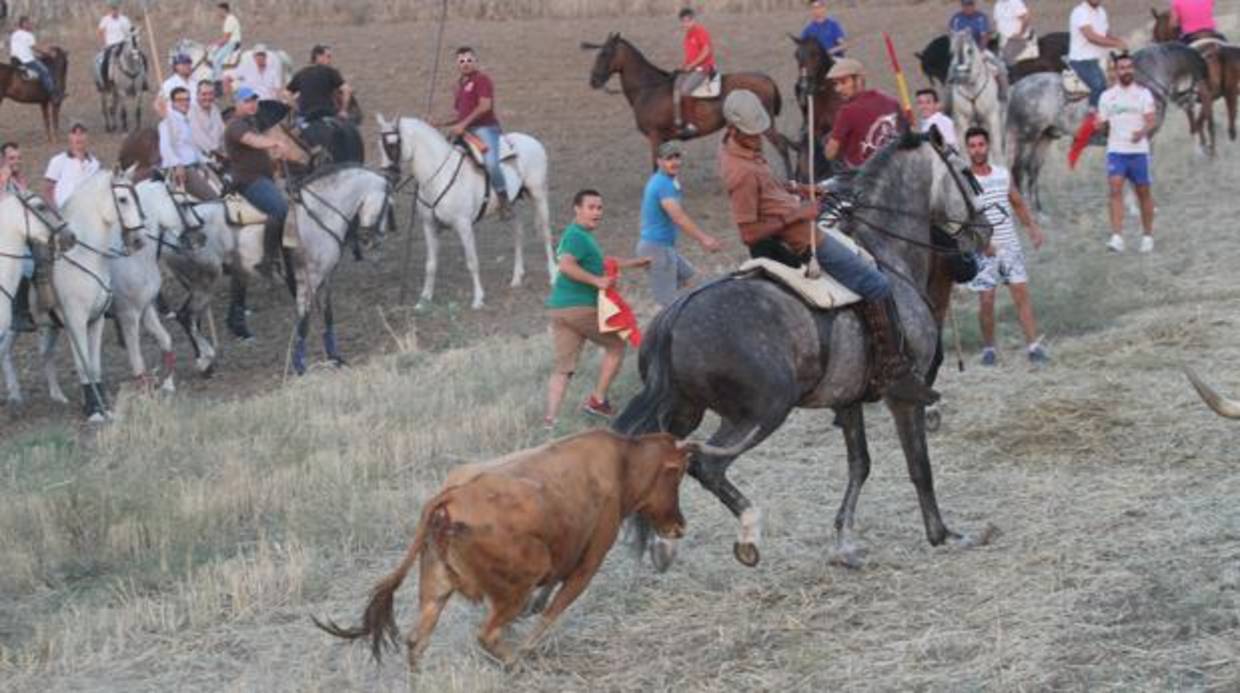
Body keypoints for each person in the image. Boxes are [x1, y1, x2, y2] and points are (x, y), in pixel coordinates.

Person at [719, 89, 937, 403]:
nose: (759, 139)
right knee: (875, 283)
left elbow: (767, 190)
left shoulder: (737, 147)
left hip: (799, 218)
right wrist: (798, 213)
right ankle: (894, 371)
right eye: (752, 134)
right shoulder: (740, 172)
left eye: (759, 132)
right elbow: (748, 232)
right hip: (798, 239)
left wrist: (797, 189)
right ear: (735, 129)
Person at [544, 189, 651, 426]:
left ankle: (550, 420)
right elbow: (565, 266)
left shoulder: (581, 237)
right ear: (577, 209)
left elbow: (602, 263)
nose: (597, 213)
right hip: (580, 308)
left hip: (559, 310)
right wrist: (597, 282)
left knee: (563, 368)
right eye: (591, 207)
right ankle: (597, 401)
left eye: (599, 208)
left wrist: (635, 263)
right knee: (616, 345)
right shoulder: (576, 236)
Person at [961, 126, 1048, 366]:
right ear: (967, 149)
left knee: (1021, 295)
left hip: (1010, 244)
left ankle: (1033, 346)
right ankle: (989, 349)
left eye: (981, 145)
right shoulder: (964, 180)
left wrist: (1032, 228)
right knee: (986, 301)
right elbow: (963, 218)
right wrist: (980, 242)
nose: (977, 150)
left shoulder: (1002, 174)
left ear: (988, 146)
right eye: (972, 146)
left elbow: (1017, 202)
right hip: (983, 250)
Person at [637, 140, 722, 308]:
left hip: (663, 248)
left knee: (694, 282)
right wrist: (704, 239)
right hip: (657, 249)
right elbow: (678, 217)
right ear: (659, 161)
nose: (674, 162)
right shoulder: (663, 184)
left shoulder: (662, 181)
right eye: (669, 158)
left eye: (677, 157)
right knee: (668, 305)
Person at [439, 46, 511, 218]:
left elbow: (485, 106)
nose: (466, 64)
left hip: (486, 129)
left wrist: (463, 124)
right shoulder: (458, 86)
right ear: (457, 64)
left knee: (491, 163)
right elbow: (458, 114)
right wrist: (436, 122)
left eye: (469, 60)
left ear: (476, 61)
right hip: (465, 130)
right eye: (462, 61)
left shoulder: (482, 80)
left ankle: (504, 200)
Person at [225, 86, 289, 278]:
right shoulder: (236, 125)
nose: (252, 104)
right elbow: (252, 141)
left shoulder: (250, 121)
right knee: (280, 210)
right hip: (249, 181)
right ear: (237, 104)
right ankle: (268, 260)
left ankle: (282, 252)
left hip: (263, 178)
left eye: (254, 101)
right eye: (247, 101)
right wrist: (275, 143)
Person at [1098, 52, 1157, 254]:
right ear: (1115, 71)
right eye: (1122, 68)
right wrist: (1098, 125)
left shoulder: (1143, 94)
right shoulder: (1107, 97)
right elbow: (1103, 124)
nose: (1126, 71)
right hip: (1116, 151)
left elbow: (1151, 120)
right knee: (1115, 189)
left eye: (1129, 67)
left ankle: (1147, 236)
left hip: (1139, 152)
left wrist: (1142, 132)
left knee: (1143, 193)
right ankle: (1117, 237)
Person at [1066, 0, 1127, 168]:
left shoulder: (1101, 12)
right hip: (1082, 60)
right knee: (1099, 86)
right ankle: (1093, 129)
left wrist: (1120, 41)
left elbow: (1106, 33)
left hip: (1100, 58)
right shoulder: (1080, 12)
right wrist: (1115, 44)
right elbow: (1091, 36)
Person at [823, 59, 903, 170]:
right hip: (896, 171)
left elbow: (830, 154)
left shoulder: (847, 111)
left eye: (843, 82)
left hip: (864, 178)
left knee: (825, 185)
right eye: (836, 84)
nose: (838, 89)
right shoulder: (891, 101)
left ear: (859, 80)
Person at [158, 87, 214, 200]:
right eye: (180, 100)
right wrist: (178, 165)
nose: (185, 103)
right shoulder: (168, 122)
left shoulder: (185, 121)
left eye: (187, 99)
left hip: (195, 166)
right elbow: (165, 147)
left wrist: (205, 161)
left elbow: (191, 147)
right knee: (213, 199)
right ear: (172, 103)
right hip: (183, 170)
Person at [674, 7, 716, 138]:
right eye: (683, 21)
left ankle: (692, 125)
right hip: (691, 68)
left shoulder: (700, 32)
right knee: (675, 86)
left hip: (703, 68)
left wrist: (691, 65)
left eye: (688, 21)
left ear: (694, 20)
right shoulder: (687, 36)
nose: (686, 24)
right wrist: (683, 66)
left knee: (685, 90)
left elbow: (706, 51)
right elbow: (690, 56)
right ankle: (679, 120)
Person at [285, 44, 352, 122]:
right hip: (327, 114)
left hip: (306, 117)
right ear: (318, 56)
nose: (330, 60)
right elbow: (347, 90)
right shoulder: (330, 71)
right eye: (328, 56)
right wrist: (343, 110)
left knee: (294, 131)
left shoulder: (301, 73)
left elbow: (286, 93)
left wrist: (297, 108)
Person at [44, 123, 101, 210]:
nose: (78, 137)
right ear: (69, 137)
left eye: (82, 133)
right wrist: (56, 212)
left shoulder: (95, 164)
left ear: (87, 137)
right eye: (74, 133)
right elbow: (48, 189)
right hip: (64, 213)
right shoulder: (58, 161)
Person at [8, 16, 61, 102]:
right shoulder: (28, 35)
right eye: (28, 23)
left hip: (14, 60)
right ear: (23, 24)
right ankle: (53, 94)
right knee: (45, 71)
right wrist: (48, 53)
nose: (30, 24)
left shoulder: (15, 34)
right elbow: (35, 48)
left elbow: (23, 48)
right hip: (26, 60)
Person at [189, 80, 225, 160]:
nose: (208, 97)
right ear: (197, 95)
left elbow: (222, 131)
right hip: (201, 157)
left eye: (210, 94)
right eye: (204, 94)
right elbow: (200, 140)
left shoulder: (215, 109)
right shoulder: (191, 112)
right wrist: (218, 153)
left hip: (219, 154)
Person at [208, 2, 241, 85]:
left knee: (216, 60)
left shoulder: (229, 20)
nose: (218, 13)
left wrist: (214, 45)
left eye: (218, 11)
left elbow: (226, 38)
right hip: (230, 42)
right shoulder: (230, 19)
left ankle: (217, 82)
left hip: (232, 43)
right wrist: (215, 44)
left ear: (223, 10)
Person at [994, 0, 1032, 65]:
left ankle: (1015, 74)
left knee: (1008, 59)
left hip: (1016, 38)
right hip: (1003, 38)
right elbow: (997, 21)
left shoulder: (1015, 2)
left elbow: (1025, 19)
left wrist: (1020, 34)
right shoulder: (998, 4)